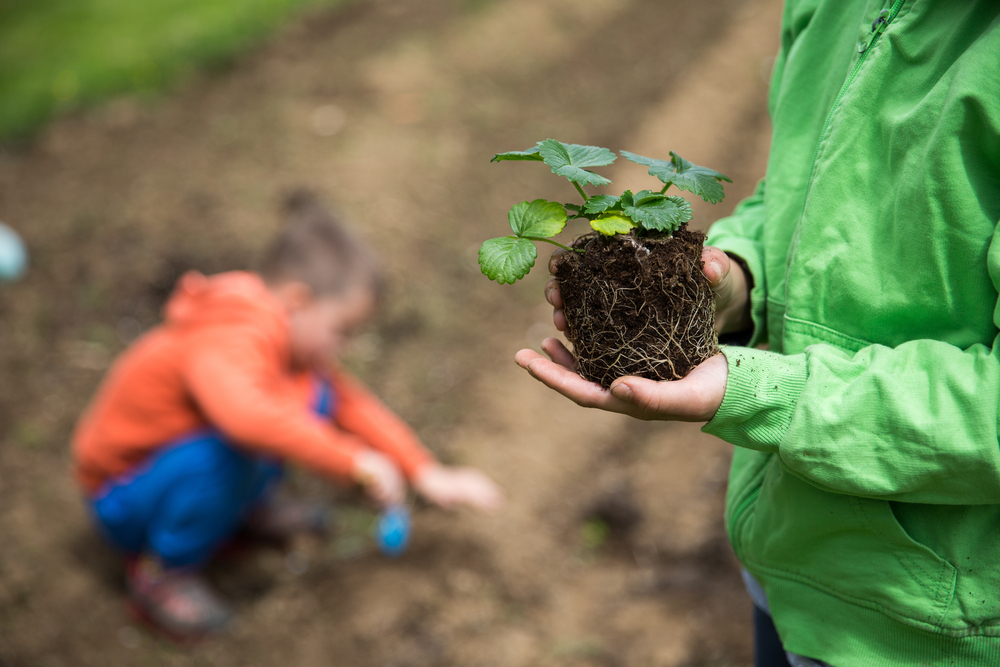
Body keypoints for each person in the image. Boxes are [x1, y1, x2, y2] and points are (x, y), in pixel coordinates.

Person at [515, 2, 1000, 666]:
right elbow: (804, 196)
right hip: (783, 557)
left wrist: (760, 393)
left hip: (926, 627)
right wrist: (735, 280)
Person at [71, 192, 504, 639]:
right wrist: (352, 461)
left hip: (165, 474)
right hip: (122, 497)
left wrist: (423, 470)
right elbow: (245, 418)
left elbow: (349, 404)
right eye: (343, 330)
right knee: (236, 445)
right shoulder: (229, 332)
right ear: (297, 301)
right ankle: (160, 573)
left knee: (310, 397)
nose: (346, 347)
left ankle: (241, 512)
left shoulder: (283, 343)